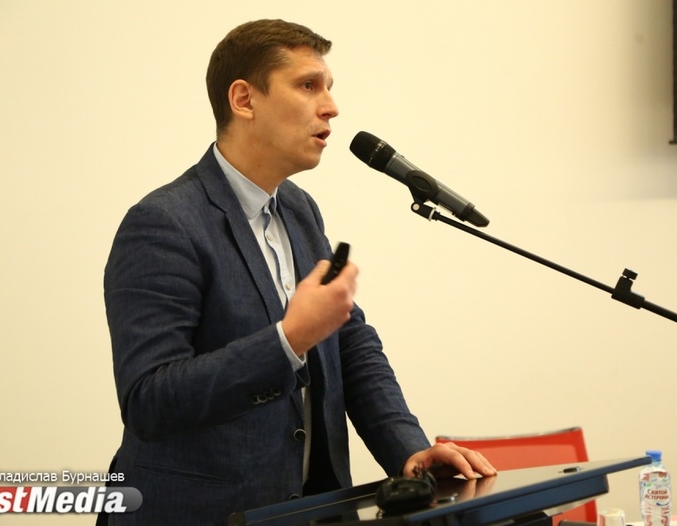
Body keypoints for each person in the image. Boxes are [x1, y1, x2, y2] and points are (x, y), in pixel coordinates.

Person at [102, 18, 496, 525]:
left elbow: (349, 344)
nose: (330, 106)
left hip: (316, 509)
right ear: (244, 100)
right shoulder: (164, 223)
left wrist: (409, 450)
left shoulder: (299, 209)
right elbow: (148, 400)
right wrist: (288, 340)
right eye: (309, 86)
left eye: (328, 87)